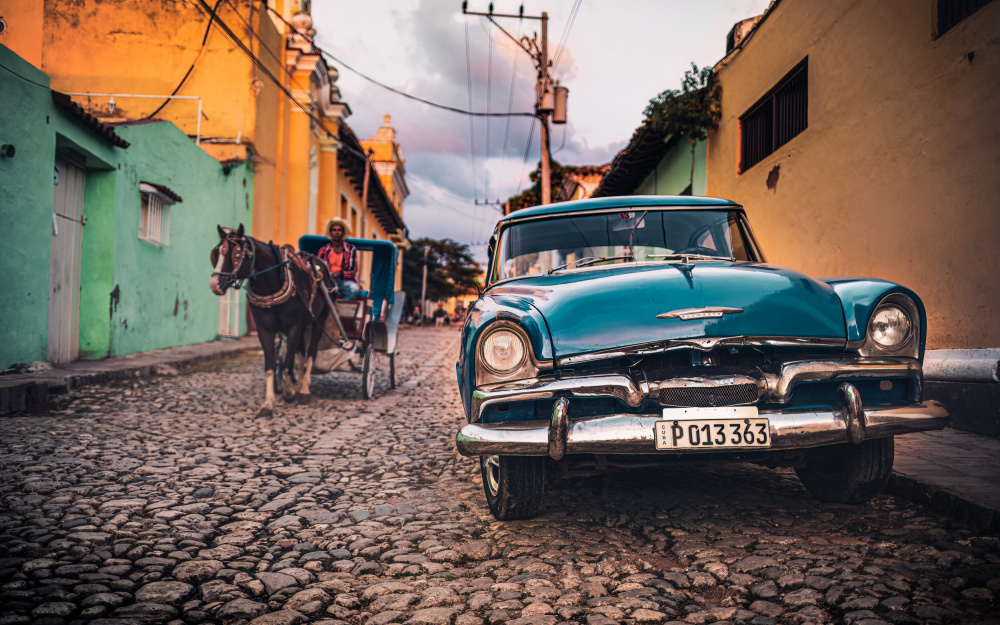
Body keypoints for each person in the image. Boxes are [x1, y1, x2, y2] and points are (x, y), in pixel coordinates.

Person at [318, 218, 361, 301]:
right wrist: (328, 274)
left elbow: (353, 270)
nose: (337, 232)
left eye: (339, 230)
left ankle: (343, 311)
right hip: (327, 280)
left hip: (344, 281)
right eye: (334, 230)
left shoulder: (351, 249)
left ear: (343, 233)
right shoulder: (323, 250)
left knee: (354, 289)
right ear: (330, 233)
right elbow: (318, 267)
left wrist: (341, 274)